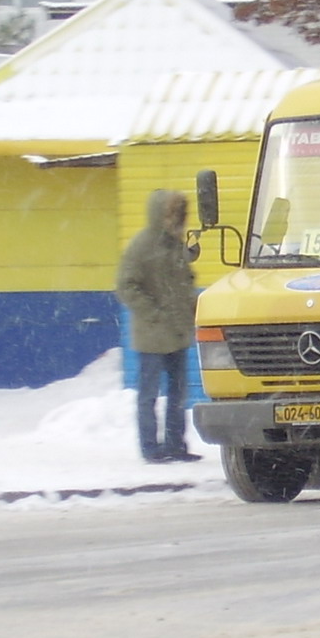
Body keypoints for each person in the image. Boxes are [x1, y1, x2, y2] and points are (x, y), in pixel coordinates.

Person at [116, 189, 202, 463]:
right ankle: (150, 448)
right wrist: (153, 314)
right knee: (149, 394)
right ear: (161, 214)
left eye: (180, 213)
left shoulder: (175, 245)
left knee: (178, 393)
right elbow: (126, 286)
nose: (177, 219)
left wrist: (191, 307)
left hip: (176, 332)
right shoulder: (141, 246)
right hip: (152, 335)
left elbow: (182, 281)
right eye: (172, 213)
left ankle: (176, 445)